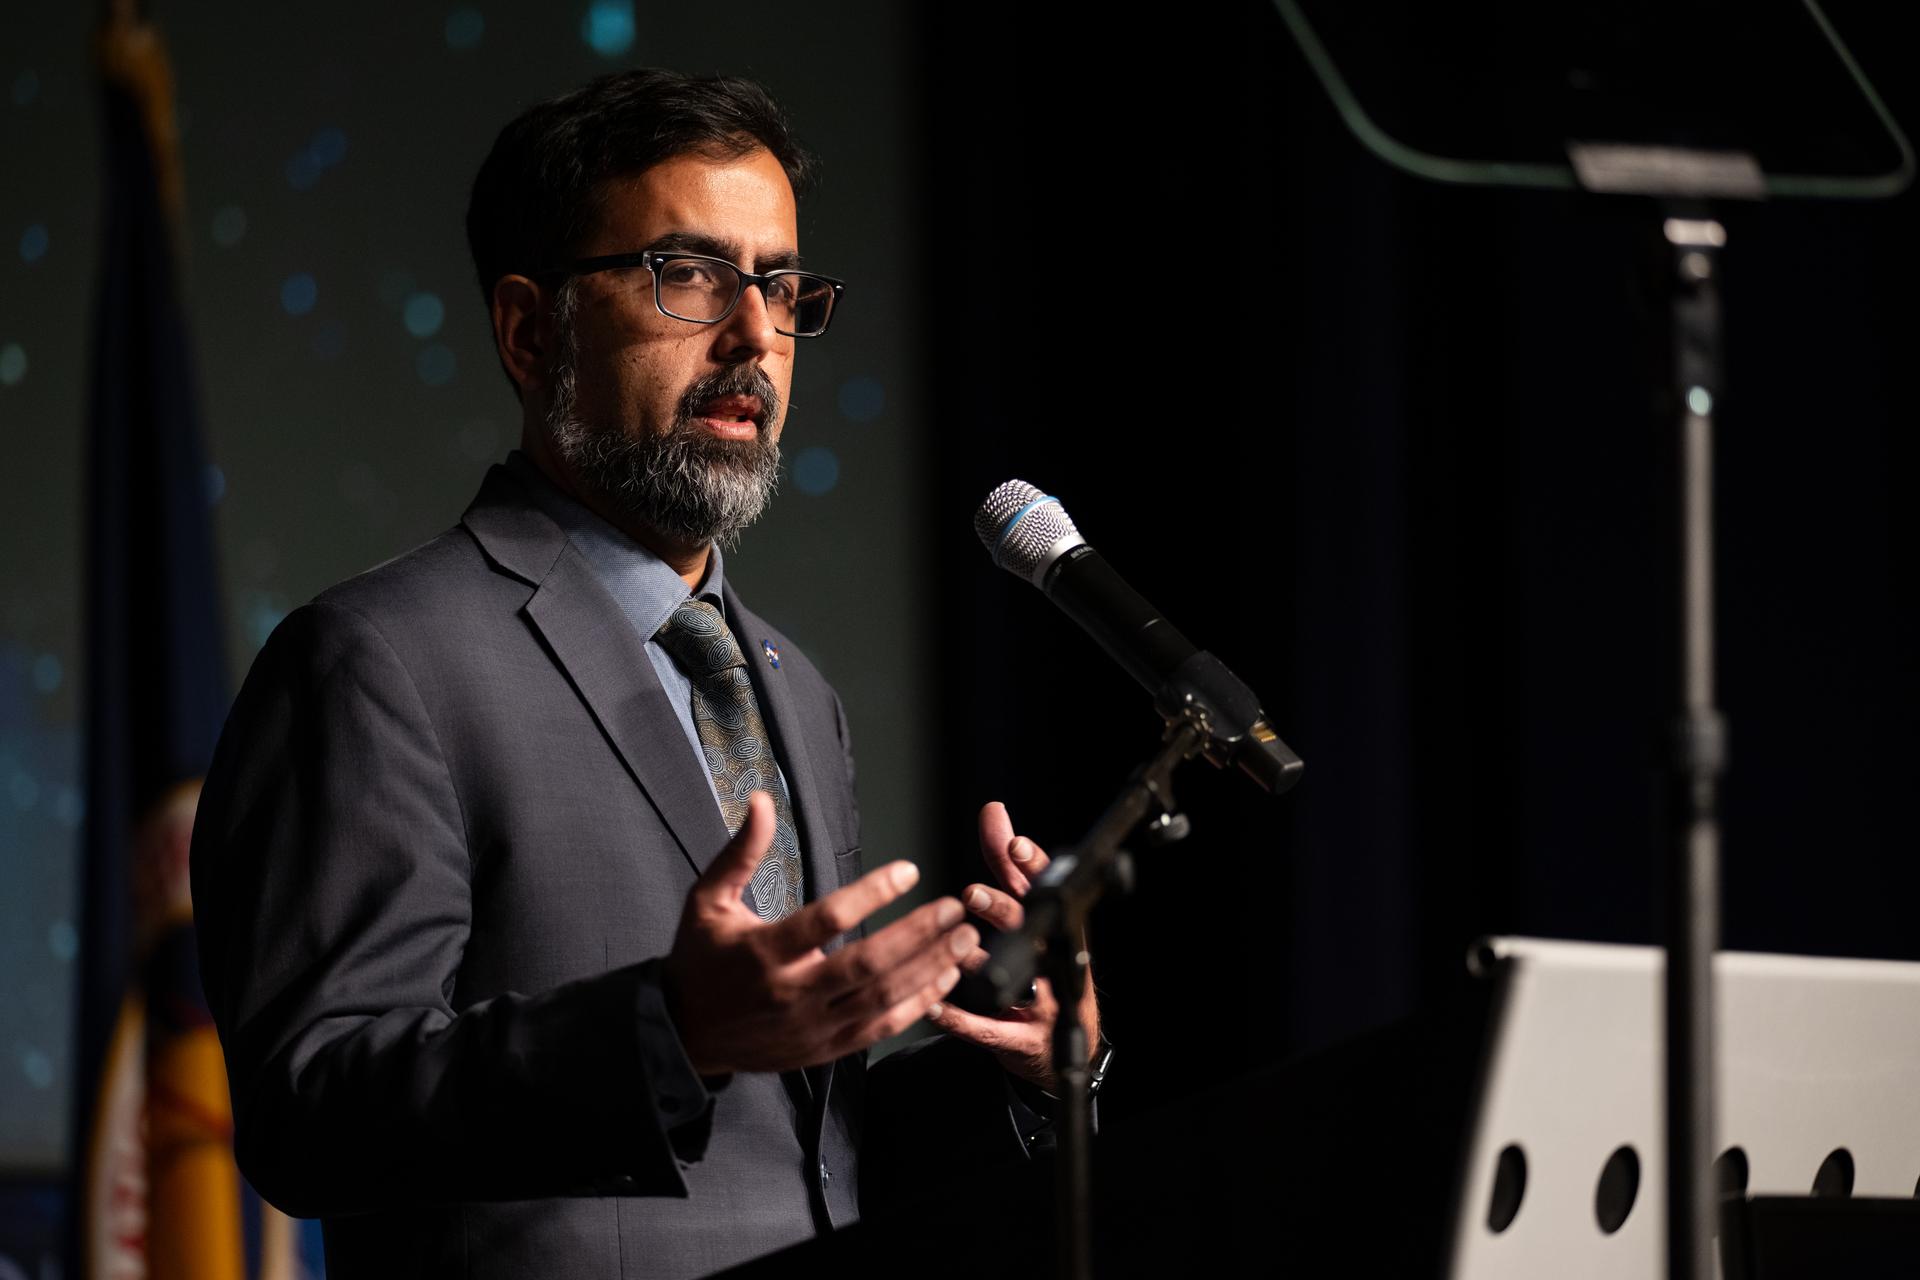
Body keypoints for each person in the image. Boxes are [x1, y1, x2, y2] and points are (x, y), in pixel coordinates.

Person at [189, 69, 1103, 1279]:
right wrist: (670, 1030)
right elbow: (315, 1106)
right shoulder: (376, 660)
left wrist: (1024, 1068)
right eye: (691, 276)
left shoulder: (794, 685)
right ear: (530, 331)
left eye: (781, 285)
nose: (755, 336)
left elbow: (800, 1157)